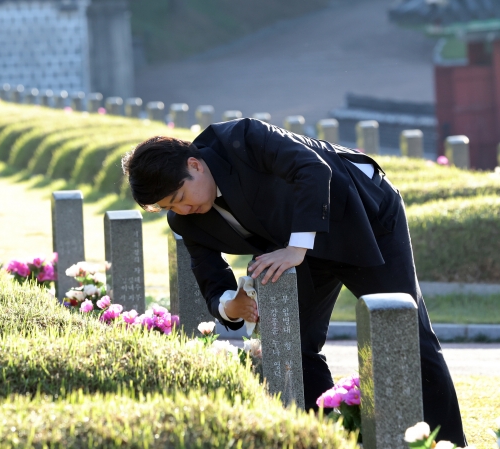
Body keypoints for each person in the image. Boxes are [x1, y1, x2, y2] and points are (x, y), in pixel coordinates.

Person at [121, 118, 466, 445]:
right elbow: (210, 276)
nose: (181, 211)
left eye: (180, 198)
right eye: (169, 207)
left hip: (363, 216)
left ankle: (448, 444)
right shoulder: (186, 223)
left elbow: (314, 168)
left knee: (406, 335)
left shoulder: (244, 138)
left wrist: (296, 248)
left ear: (194, 165)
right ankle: (327, 438)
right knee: (291, 345)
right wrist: (232, 305)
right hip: (294, 248)